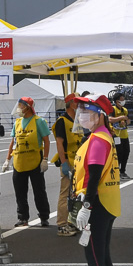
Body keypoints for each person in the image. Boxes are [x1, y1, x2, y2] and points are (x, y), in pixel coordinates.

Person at [70, 94, 120, 266]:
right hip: (107, 203)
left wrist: (86, 206)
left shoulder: (98, 139)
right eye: (80, 111)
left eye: (86, 112)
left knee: (94, 257)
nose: (81, 116)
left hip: (97, 204)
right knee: (103, 255)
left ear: (99, 115)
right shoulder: (102, 136)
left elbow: (94, 175)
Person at [6, 96, 51, 227]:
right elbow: (13, 142)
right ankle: (22, 217)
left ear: (28, 107)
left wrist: (45, 159)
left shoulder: (39, 121)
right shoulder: (17, 122)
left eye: (21, 105)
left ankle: (44, 216)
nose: (19, 108)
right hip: (19, 161)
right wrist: (7, 159)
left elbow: (46, 141)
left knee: (39, 190)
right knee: (20, 192)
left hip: (35, 161)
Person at [52, 93, 84, 237]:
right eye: (78, 102)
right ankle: (61, 225)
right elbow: (59, 143)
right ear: (71, 104)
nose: (80, 105)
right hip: (69, 162)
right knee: (65, 193)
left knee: (75, 194)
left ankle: (71, 222)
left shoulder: (76, 120)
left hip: (78, 162)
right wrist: (64, 163)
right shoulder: (62, 121)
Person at [110, 91, 131, 179]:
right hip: (116, 135)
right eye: (121, 100)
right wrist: (120, 118)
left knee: (126, 152)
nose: (123, 101)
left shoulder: (125, 110)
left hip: (124, 134)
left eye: (123, 100)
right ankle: (116, 171)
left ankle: (123, 171)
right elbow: (110, 119)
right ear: (116, 101)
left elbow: (128, 121)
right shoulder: (113, 109)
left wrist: (126, 122)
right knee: (118, 153)